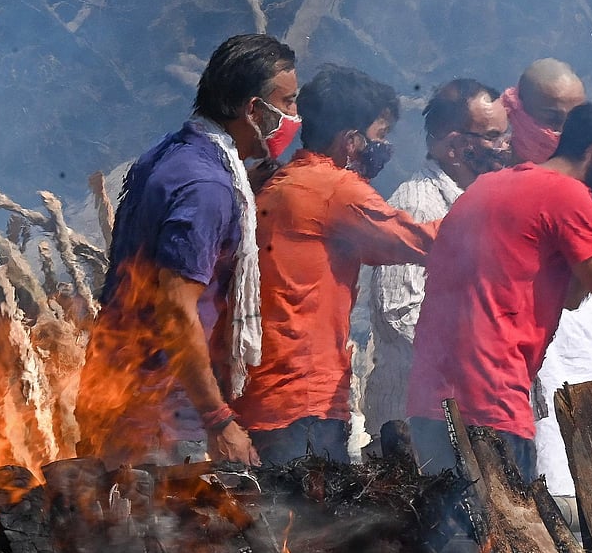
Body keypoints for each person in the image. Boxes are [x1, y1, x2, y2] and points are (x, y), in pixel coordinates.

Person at [76, 34, 299, 467]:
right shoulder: (207, 186)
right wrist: (218, 421)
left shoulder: (173, 153)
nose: (294, 116)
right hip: (161, 408)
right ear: (253, 109)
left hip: (117, 385)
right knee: (168, 531)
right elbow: (177, 310)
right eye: (287, 103)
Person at [406, 99, 592, 481]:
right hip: (490, 407)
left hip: (432, 405)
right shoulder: (564, 196)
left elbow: (573, 296)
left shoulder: (490, 184)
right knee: (499, 539)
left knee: (445, 538)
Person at [230, 65, 437, 464]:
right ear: (351, 141)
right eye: (379, 137)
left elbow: (378, 247)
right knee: (315, 522)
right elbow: (422, 242)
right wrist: (491, 210)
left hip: (263, 398)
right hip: (304, 404)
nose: (384, 147)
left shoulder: (284, 183)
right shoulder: (337, 190)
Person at [504, 60, 592, 525]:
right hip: (509, 394)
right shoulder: (496, 189)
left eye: (573, 118)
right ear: (517, 111)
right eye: (551, 118)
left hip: (585, 393)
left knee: (589, 521)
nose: (562, 131)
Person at [363, 79, 511, 437]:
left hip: (474, 414)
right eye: (493, 137)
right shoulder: (416, 204)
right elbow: (400, 312)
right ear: (454, 148)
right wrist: (479, 361)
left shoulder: (489, 201)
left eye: (506, 135)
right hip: (423, 424)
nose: (505, 147)